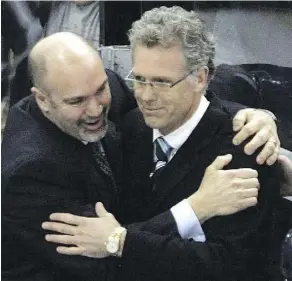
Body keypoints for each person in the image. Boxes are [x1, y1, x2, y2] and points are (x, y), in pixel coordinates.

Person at [1, 32, 283, 281]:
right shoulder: (29, 173)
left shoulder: (86, 86)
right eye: (77, 101)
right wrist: (196, 207)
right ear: (42, 100)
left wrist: (255, 116)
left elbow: (176, 93)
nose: (96, 109)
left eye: (101, 89)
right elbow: (103, 260)